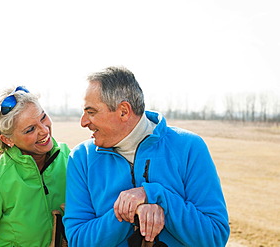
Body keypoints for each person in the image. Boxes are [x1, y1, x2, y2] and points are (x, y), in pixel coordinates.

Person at [63, 66, 230, 246]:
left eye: (91, 112)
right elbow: (78, 240)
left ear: (123, 111)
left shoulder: (189, 147)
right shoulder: (81, 158)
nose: (83, 122)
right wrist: (131, 211)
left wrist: (158, 197)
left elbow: (214, 237)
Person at [0, 86, 71, 246]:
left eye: (43, 117)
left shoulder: (71, 159)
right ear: (7, 139)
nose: (44, 130)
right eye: (30, 129)